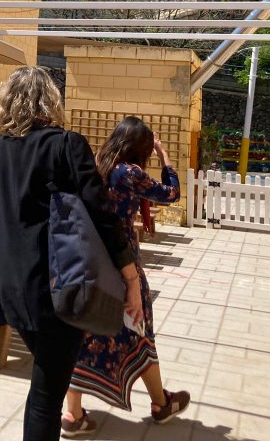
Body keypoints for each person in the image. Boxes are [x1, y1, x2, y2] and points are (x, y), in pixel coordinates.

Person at [0, 67, 141, 441]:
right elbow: (101, 213)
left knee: (47, 379)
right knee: (46, 396)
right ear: (50, 101)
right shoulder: (67, 145)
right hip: (59, 290)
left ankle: (72, 418)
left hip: (12, 290)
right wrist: (129, 273)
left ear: (6, 102)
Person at [62, 116, 190, 435]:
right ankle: (160, 403)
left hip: (94, 262)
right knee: (139, 328)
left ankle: (72, 413)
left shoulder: (98, 165)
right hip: (124, 263)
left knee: (85, 334)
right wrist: (164, 156)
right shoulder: (130, 173)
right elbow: (171, 193)